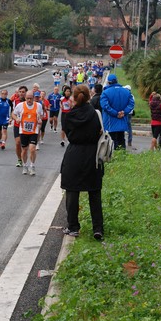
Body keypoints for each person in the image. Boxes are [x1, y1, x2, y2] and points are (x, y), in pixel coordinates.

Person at [60, 85, 104, 240]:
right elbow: (100, 132)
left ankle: (73, 227)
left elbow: (69, 136)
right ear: (88, 97)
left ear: (74, 97)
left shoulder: (69, 116)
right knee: (94, 193)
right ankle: (98, 228)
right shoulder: (95, 114)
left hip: (74, 155)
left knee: (72, 192)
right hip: (92, 156)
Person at [12, 89, 43, 176]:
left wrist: (39, 119)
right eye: (27, 98)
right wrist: (16, 118)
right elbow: (13, 114)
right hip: (23, 131)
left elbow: (41, 115)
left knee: (32, 149)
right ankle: (25, 165)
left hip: (34, 130)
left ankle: (32, 166)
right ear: (25, 98)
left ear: (33, 98)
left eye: (31, 98)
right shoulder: (20, 106)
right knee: (24, 150)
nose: (29, 100)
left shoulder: (38, 106)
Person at [100, 74, 135, 150]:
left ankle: (113, 158)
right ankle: (122, 157)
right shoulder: (126, 91)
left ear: (108, 82)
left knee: (111, 141)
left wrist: (115, 113)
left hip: (110, 122)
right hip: (122, 120)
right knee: (121, 139)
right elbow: (131, 103)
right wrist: (124, 112)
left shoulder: (105, 92)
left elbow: (105, 106)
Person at [10, 85, 27, 167]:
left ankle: (25, 159)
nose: (21, 93)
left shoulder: (30, 101)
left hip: (26, 126)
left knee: (24, 145)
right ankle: (19, 159)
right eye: (20, 92)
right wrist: (14, 118)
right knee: (17, 143)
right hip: (17, 124)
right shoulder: (15, 101)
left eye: (23, 92)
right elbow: (13, 112)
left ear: (26, 93)